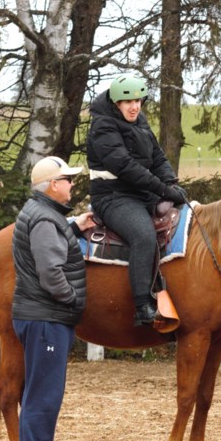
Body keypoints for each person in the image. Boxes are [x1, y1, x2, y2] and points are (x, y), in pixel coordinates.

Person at [12, 156, 96, 441]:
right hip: (46, 317)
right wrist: (72, 298)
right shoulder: (45, 220)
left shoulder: (42, 214)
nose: (72, 185)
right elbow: (49, 271)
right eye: (68, 180)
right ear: (52, 186)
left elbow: (49, 239)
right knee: (44, 394)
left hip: (38, 315)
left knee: (39, 391)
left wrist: (74, 225)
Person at [86, 74, 188, 326]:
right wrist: (163, 191)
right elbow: (126, 167)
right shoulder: (102, 127)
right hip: (113, 197)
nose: (134, 106)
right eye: (127, 102)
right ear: (115, 103)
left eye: (138, 101)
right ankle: (143, 306)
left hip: (141, 193)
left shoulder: (139, 121)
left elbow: (157, 156)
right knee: (143, 235)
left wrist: (171, 183)